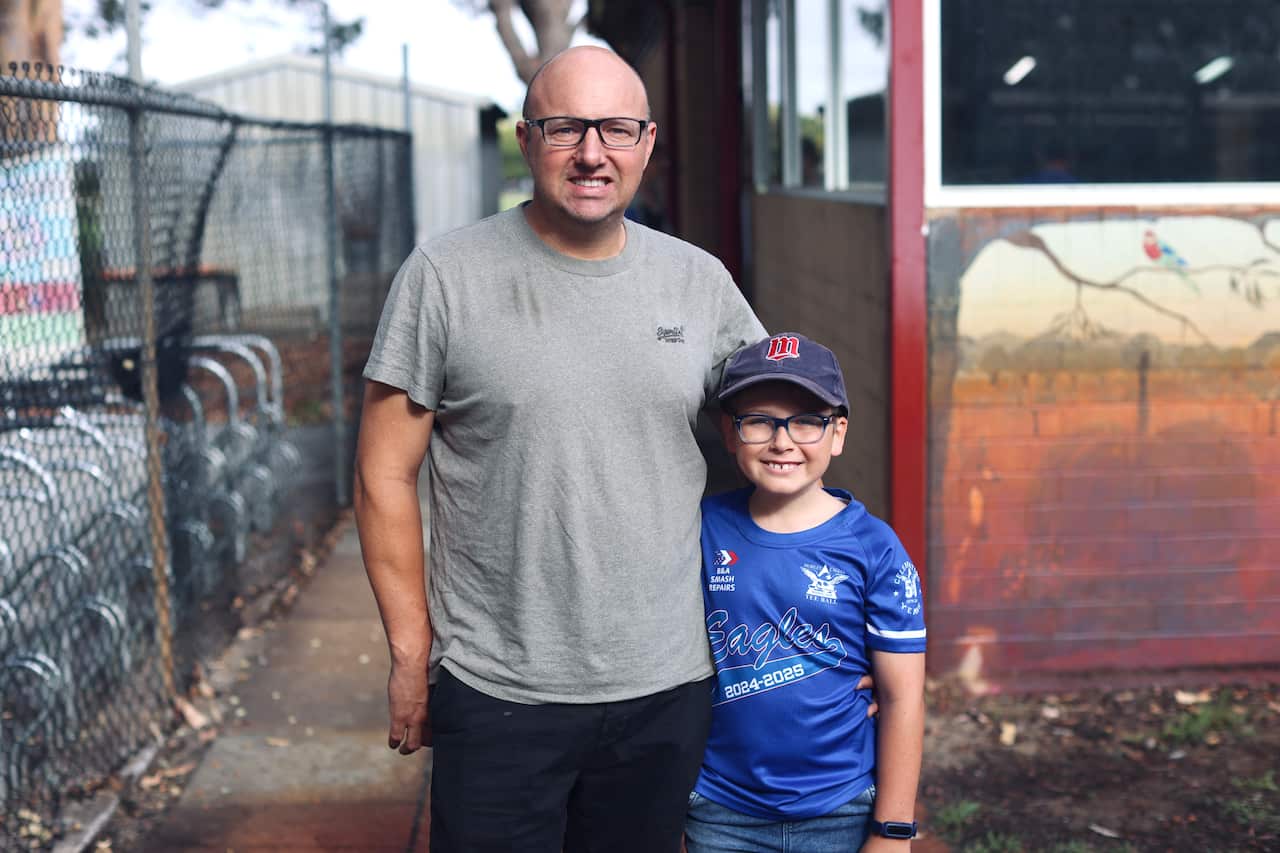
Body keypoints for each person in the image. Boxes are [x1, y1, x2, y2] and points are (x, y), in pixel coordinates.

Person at [352, 45, 766, 853]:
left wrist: (823, 624)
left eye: (615, 129)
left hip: (666, 681)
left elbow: (781, 446)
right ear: (526, 137)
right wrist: (411, 650)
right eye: (565, 127)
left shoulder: (698, 283)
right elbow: (381, 474)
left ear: (647, 143)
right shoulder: (445, 276)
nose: (591, 153)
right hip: (500, 685)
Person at [686, 332, 927, 852]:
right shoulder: (701, 530)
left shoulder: (875, 549)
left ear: (837, 433)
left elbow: (902, 695)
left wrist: (894, 830)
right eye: (759, 421)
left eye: (806, 421)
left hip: (840, 807)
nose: (782, 441)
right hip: (720, 809)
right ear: (730, 433)